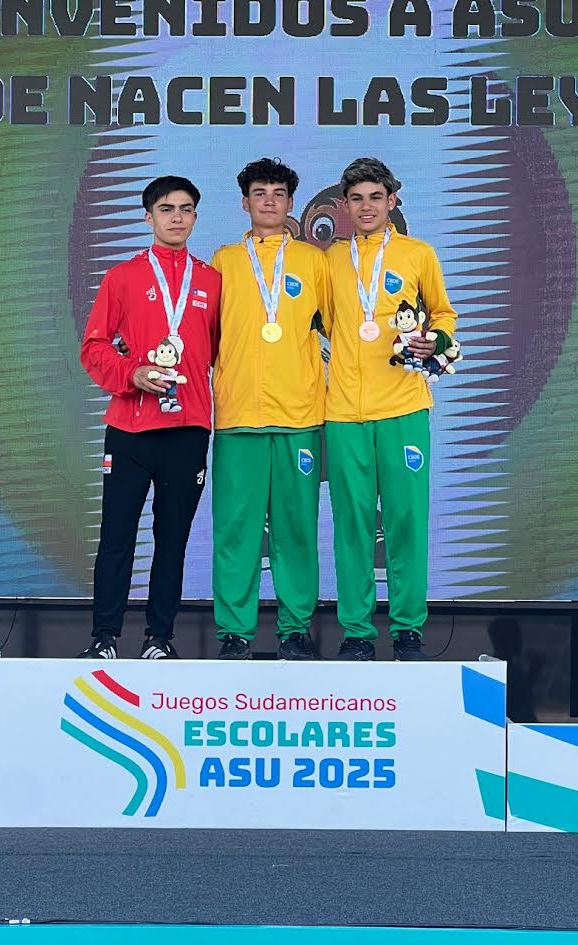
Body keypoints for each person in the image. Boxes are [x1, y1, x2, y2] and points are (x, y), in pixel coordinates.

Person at [78, 176, 220, 659]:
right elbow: (93, 347)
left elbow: (222, 353)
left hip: (188, 428)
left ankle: (159, 639)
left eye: (186, 208)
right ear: (148, 216)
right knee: (117, 536)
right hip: (130, 429)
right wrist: (132, 373)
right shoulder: (122, 277)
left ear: (195, 216)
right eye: (166, 209)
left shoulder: (212, 281)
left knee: (172, 540)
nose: (177, 217)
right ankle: (104, 638)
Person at [324, 157, 457, 661]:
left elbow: (443, 313)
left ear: (392, 201)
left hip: (404, 406)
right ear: (344, 205)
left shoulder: (418, 254)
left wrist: (434, 340)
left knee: (405, 521)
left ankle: (407, 630)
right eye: (357, 199)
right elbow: (323, 324)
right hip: (344, 413)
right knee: (351, 525)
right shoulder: (329, 260)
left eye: (375, 198)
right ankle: (357, 632)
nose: (366, 207)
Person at [210, 158, 330, 660]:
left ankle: (295, 629)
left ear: (291, 203)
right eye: (260, 193)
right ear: (245, 202)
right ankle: (234, 633)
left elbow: (340, 328)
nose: (269, 201)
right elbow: (204, 334)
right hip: (238, 415)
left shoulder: (314, 261)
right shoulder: (223, 261)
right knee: (235, 529)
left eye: (278, 193)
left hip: (299, 415)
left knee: (296, 529)